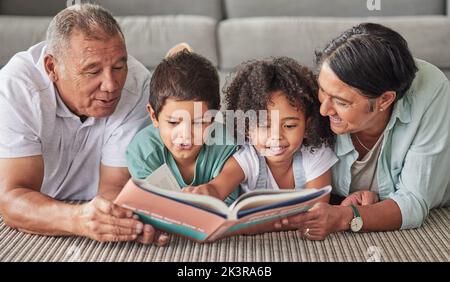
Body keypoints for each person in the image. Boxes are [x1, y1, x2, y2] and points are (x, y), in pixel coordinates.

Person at [0, 4, 167, 245]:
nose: (111, 85)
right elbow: (11, 198)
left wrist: (122, 220)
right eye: (93, 71)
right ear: (51, 67)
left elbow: (115, 186)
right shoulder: (15, 88)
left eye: (119, 66)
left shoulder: (137, 84)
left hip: (93, 198)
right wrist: (77, 220)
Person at [280, 23, 450, 240]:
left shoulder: (431, 91)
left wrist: (344, 217)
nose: (323, 109)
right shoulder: (324, 94)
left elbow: (414, 202)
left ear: (385, 100)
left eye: (341, 102)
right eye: (322, 90)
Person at [183, 57, 339, 203]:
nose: (276, 136)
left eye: (289, 126)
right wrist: (204, 192)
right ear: (246, 128)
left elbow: (317, 207)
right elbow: (217, 188)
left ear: (307, 127)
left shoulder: (316, 155)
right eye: (265, 125)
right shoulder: (247, 158)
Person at [126, 48, 239, 205]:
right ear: (154, 116)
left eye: (198, 122)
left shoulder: (227, 146)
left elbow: (230, 204)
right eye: (173, 122)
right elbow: (152, 206)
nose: (185, 135)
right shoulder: (143, 152)